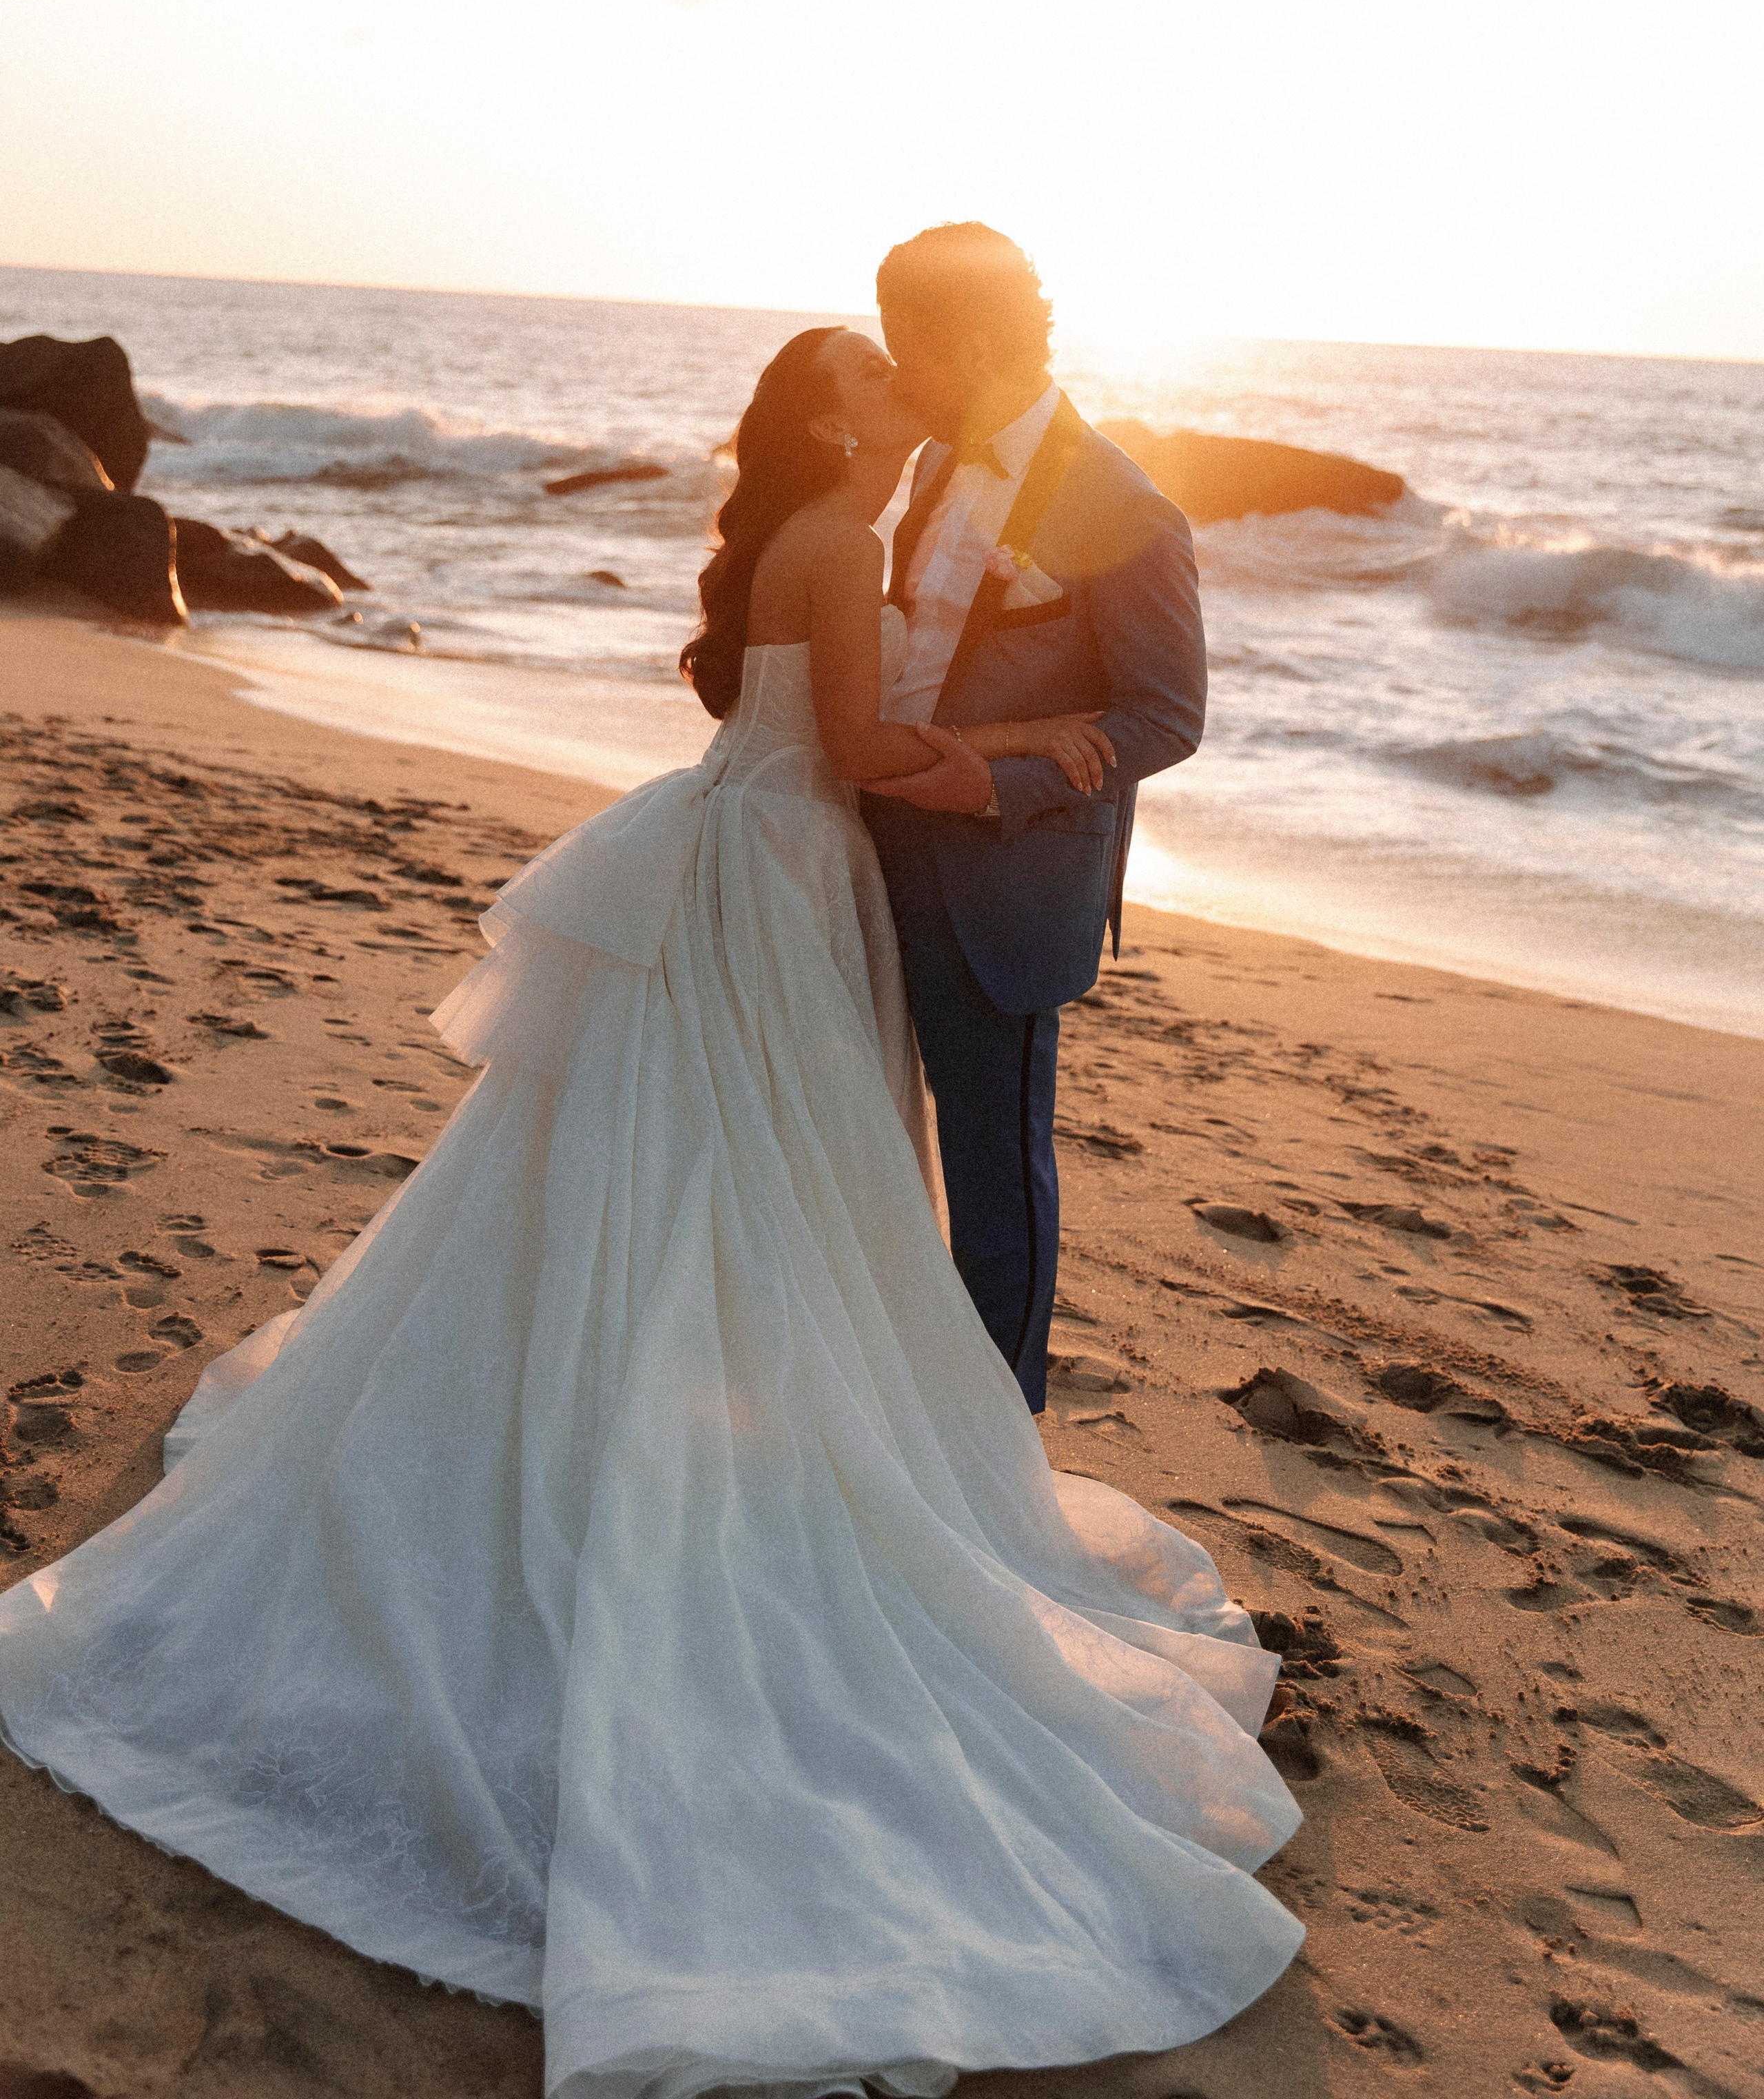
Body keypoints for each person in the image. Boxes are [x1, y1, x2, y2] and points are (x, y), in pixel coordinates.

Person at [0, 319, 1298, 2099]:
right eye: (882, 368)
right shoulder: (857, 528)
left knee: (740, 1176)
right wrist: (1004, 748)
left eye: (921, 354)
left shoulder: (887, 514)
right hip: (789, 865)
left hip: (766, 856)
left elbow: (972, 709)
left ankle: (800, 1434)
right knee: (775, 1182)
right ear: (845, 410)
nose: (907, 386)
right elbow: (851, 735)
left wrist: (1007, 749)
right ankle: (841, 1460)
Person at [864, 223, 1207, 1413]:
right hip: (864, 857)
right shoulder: (929, 466)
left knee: (994, 1178)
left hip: (1001, 888)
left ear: (964, 340)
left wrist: (998, 785)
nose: (896, 372)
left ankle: (991, 1443)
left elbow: (1166, 717)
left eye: (907, 344)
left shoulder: (1123, 502)